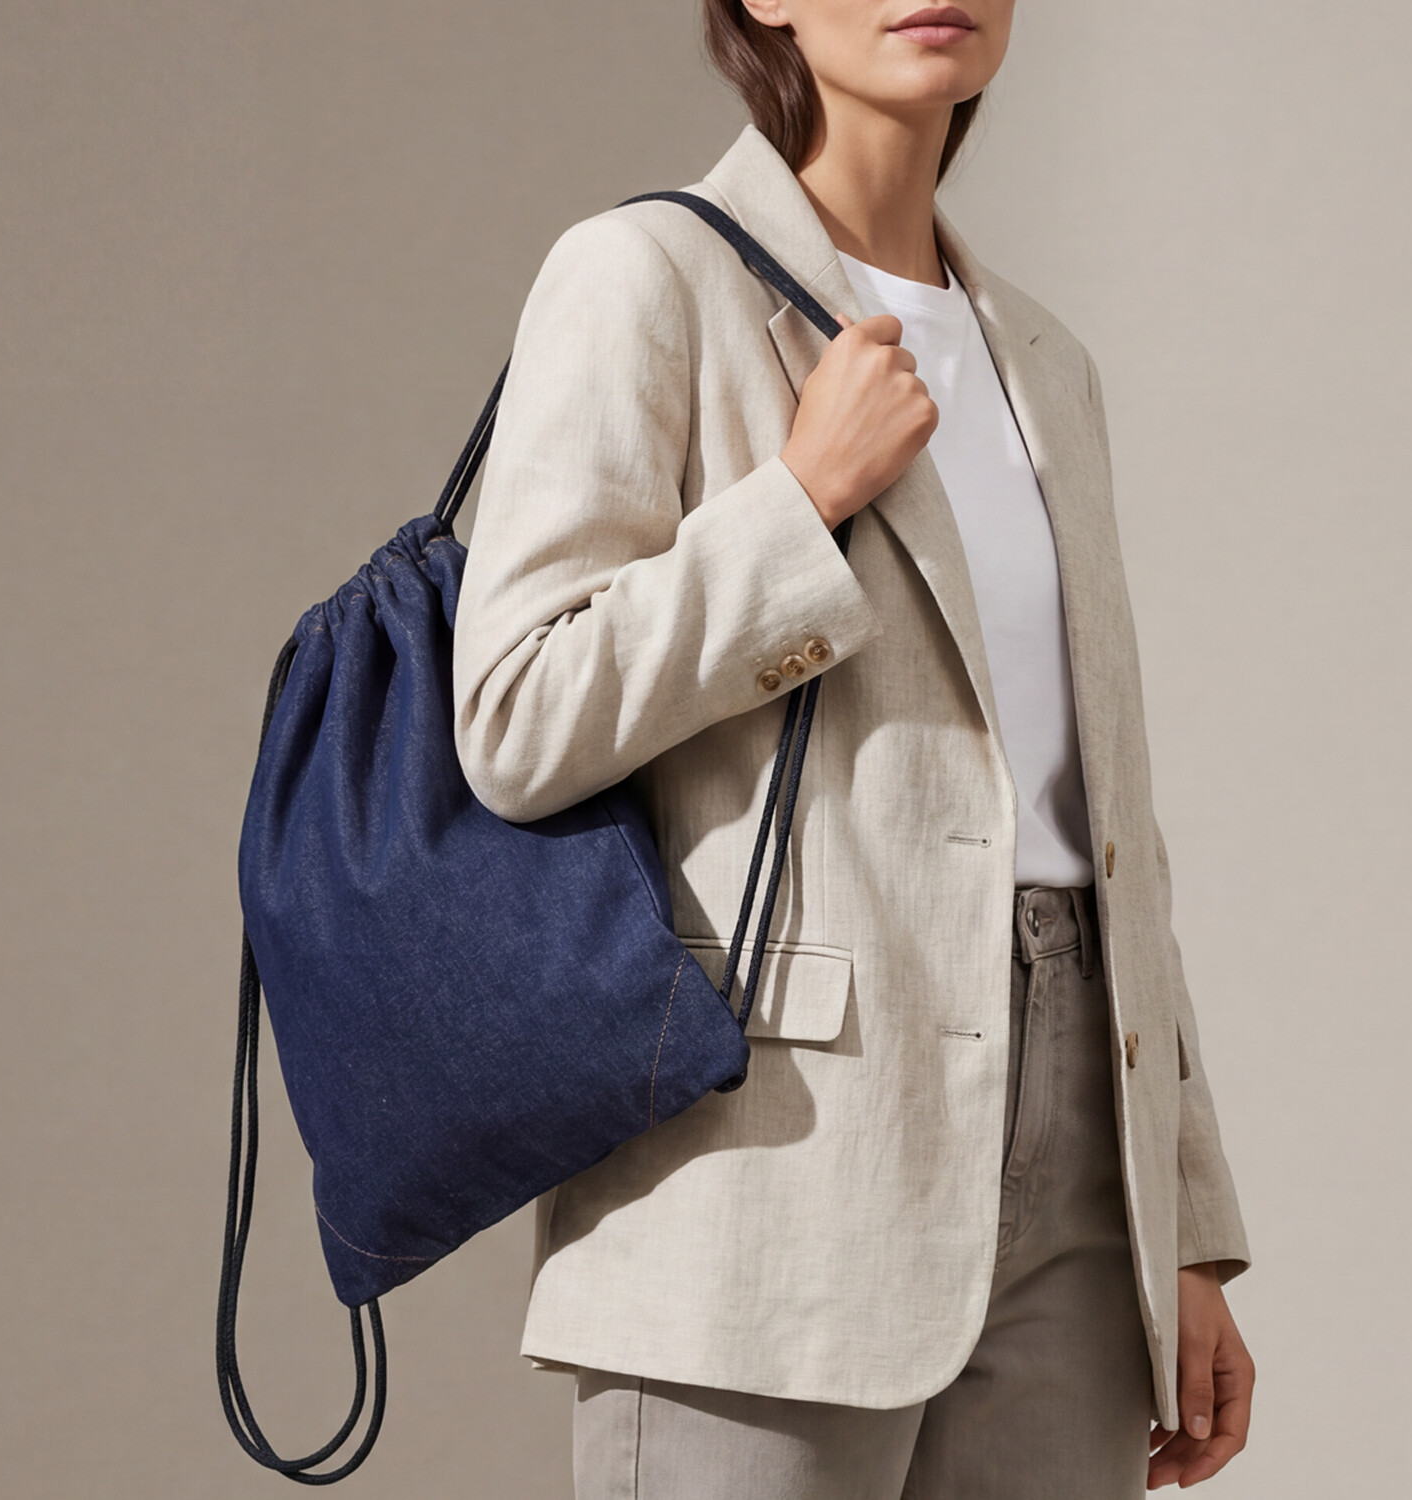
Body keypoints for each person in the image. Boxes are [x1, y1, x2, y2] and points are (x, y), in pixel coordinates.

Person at [451, 2, 1254, 1495]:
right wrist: (796, 503)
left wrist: (1185, 1220)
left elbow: (1107, 819)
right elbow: (515, 713)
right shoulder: (647, 275)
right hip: (773, 1152)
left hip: (1083, 1149)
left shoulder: (1047, 365)